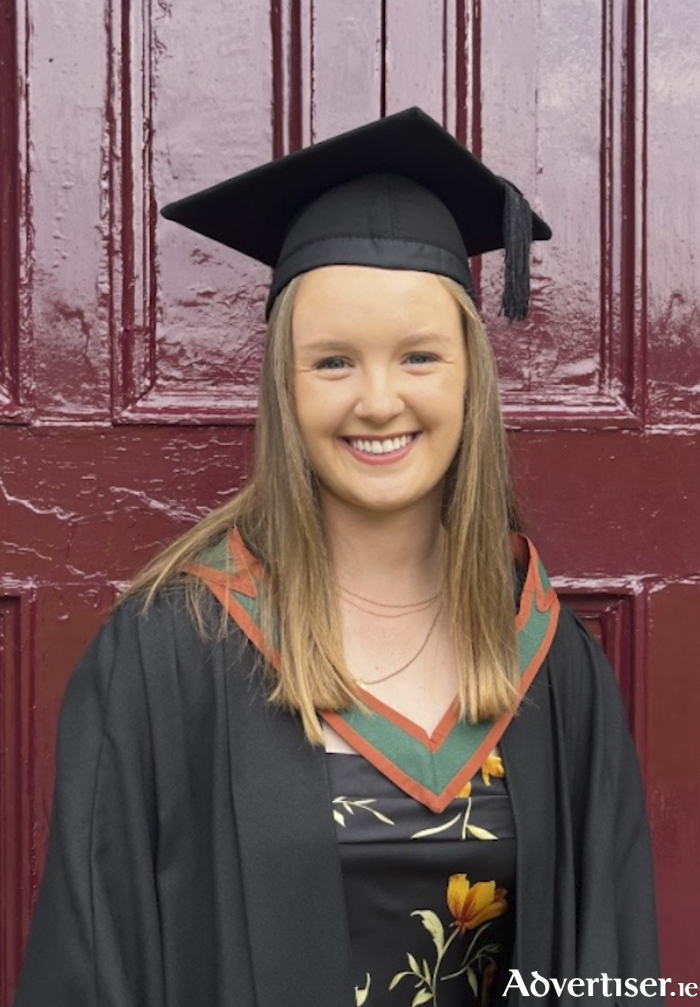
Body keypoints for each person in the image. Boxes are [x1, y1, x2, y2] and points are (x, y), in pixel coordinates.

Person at [13, 108, 662, 1007]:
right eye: (332, 362)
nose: (378, 399)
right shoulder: (168, 654)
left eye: (419, 356)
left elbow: (611, 961)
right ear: (283, 384)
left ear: (471, 377)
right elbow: (90, 969)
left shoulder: (548, 661)